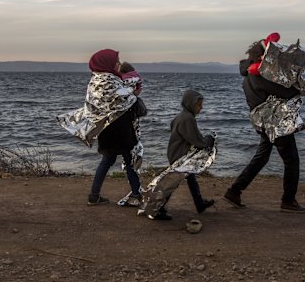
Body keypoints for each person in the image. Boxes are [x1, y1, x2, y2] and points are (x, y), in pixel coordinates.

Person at [224, 33, 305, 213]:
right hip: (275, 122)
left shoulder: (248, 76)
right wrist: (296, 85)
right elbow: (285, 93)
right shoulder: (260, 76)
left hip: (262, 122)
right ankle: (288, 201)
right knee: (291, 160)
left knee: (261, 157)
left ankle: (234, 191)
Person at [86, 49, 147, 206]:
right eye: (116, 61)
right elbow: (126, 97)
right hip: (121, 128)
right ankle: (136, 195)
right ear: (107, 62)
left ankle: (94, 195)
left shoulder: (95, 81)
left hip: (105, 129)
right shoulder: (112, 81)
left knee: (107, 160)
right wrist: (135, 91)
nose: (119, 64)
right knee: (130, 161)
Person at [153, 90, 215, 220]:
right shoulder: (188, 119)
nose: (201, 108)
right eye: (199, 105)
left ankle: (199, 204)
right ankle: (158, 208)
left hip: (176, 153)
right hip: (179, 156)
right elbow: (196, 140)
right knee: (173, 183)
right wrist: (209, 140)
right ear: (190, 104)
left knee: (190, 179)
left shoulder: (181, 116)